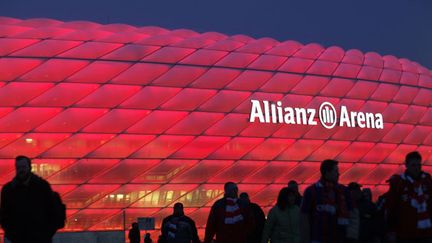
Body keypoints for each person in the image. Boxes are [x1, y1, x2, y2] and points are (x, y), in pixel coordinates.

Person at [0, 155, 58, 243]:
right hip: (19, 239)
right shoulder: (8, 189)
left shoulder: (42, 186)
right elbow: (4, 214)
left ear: (30, 167)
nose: (21, 170)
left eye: (23, 167)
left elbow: (53, 211)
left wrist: (47, 234)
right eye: (18, 167)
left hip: (40, 238)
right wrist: (12, 234)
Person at [300, 159, 350, 243]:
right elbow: (304, 216)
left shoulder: (342, 191)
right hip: (320, 237)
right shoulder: (312, 191)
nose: (338, 174)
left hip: (334, 237)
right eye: (335, 171)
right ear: (327, 172)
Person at [386, 151, 432, 243]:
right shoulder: (399, 183)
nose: (416, 168)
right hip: (406, 232)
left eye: (419, 165)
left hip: (426, 232)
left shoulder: (427, 181)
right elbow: (391, 207)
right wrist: (391, 229)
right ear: (406, 165)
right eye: (413, 165)